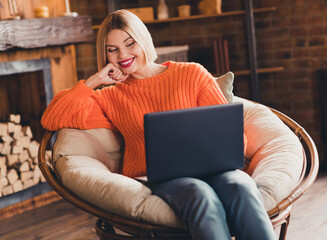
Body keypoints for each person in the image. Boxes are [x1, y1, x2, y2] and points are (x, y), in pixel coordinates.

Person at [41, 9, 276, 240]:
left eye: (130, 43)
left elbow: (231, 135)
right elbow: (52, 118)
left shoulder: (192, 74)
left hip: (216, 169)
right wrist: (96, 80)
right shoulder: (109, 97)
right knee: (200, 194)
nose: (122, 55)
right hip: (165, 179)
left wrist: (224, 153)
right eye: (112, 50)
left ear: (143, 40)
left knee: (241, 186)